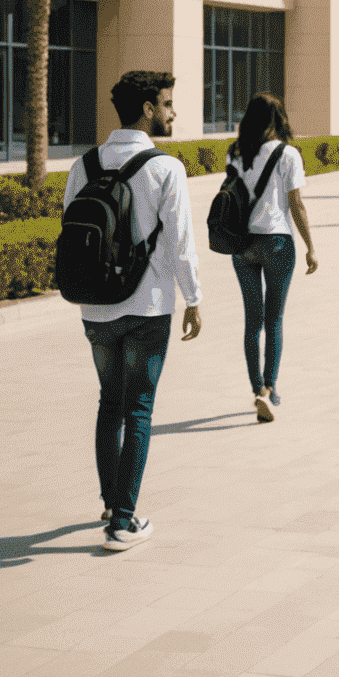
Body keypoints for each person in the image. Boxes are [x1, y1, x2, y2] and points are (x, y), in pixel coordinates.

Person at [63, 70, 203, 553]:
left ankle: (110, 501)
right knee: (139, 408)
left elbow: (70, 232)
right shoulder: (165, 168)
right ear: (146, 108)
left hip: (95, 308)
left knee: (110, 404)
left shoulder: (83, 164)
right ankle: (123, 520)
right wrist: (194, 298)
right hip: (148, 307)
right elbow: (182, 242)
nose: (172, 113)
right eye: (167, 104)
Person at [226, 93, 319, 423]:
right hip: (277, 241)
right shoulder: (287, 154)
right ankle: (270, 390)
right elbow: (297, 206)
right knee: (274, 320)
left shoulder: (235, 152)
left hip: (242, 245)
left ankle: (256, 389)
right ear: (278, 117)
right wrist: (310, 247)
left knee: (252, 320)